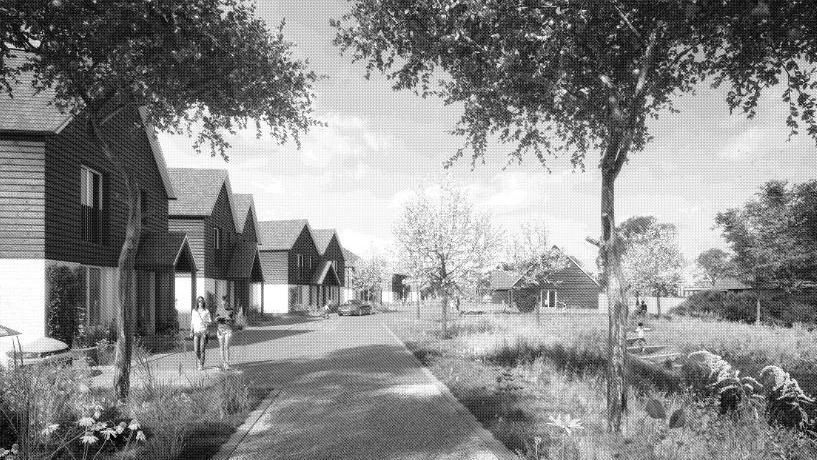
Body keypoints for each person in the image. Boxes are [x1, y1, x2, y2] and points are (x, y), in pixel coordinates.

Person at [190, 296, 211, 371]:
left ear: (203, 302)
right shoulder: (194, 311)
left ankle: (201, 364)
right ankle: (199, 360)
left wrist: (206, 323)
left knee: (202, 349)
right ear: (197, 302)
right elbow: (192, 322)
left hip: (203, 332)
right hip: (196, 332)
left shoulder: (206, 311)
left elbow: (209, 321)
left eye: (201, 301)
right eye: (199, 301)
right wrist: (191, 331)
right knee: (196, 350)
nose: (200, 302)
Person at [215, 294, 235, 371]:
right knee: (221, 347)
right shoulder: (218, 309)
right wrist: (217, 318)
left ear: (227, 302)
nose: (224, 303)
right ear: (221, 302)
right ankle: (223, 363)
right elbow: (215, 319)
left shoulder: (231, 310)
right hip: (220, 329)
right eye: (222, 301)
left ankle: (227, 363)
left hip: (228, 329)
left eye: (225, 301)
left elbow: (233, 321)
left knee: (226, 346)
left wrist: (229, 319)